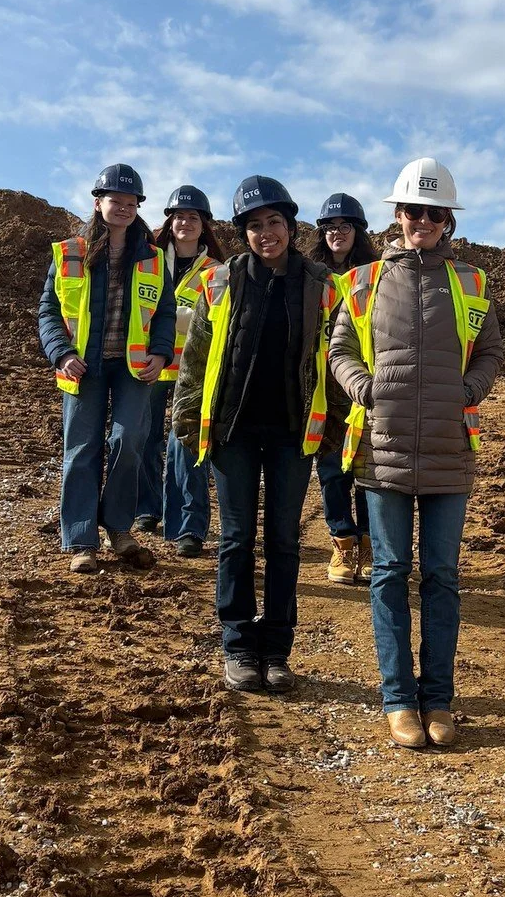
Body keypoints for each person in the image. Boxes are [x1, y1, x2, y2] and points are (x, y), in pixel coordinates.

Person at [330, 156, 503, 749]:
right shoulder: (363, 282)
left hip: (448, 454)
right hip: (382, 451)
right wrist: (363, 386)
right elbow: (339, 348)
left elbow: (489, 354)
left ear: (447, 220)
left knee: (443, 576)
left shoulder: (472, 284)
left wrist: (468, 390)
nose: (421, 220)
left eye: (433, 212)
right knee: (389, 573)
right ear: (397, 216)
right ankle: (399, 699)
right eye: (411, 211)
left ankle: (439, 699)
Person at [172, 175, 334, 693]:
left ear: (290, 225)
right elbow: (197, 356)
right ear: (243, 232)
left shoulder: (318, 283)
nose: (266, 233)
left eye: (274, 222)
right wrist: (185, 415)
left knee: (284, 541)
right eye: (254, 225)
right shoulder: (220, 281)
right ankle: (238, 645)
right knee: (237, 540)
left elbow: (331, 358)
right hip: (232, 430)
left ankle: (277, 649)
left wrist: (331, 424)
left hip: (292, 432)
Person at [37, 164, 176, 573]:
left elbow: (165, 312)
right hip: (83, 368)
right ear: (99, 203)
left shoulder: (151, 257)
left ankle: (118, 527)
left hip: (133, 368)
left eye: (132, 203)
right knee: (81, 450)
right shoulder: (71, 252)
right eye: (117, 200)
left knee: (129, 440)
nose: (125, 208)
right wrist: (61, 352)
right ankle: (82, 539)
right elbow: (48, 310)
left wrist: (161, 353)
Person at [133, 185, 227, 557]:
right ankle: (146, 508)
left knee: (187, 448)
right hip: (148, 365)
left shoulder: (216, 272)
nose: (185, 222)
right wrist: (183, 318)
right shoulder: (150, 260)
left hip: (193, 371)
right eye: (179, 216)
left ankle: (188, 526)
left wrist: (168, 316)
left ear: (204, 225)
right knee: (142, 440)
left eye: (193, 217)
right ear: (169, 221)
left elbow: (214, 320)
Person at [308, 192, 378, 584]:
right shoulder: (310, 275)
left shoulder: (375, 275)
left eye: (345, 226)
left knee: (366, 468)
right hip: (323, 385)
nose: (337, 233)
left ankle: (369, 544)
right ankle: (343, 543)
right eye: (331, 227)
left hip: (364, 383)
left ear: (358, 232)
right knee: (332, 469)